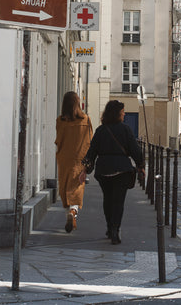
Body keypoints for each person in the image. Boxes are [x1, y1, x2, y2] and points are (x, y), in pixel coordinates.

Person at [83, 100, 144, 245]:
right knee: (118, 201)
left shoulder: (101, 130)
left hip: (104, 170)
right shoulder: (126, 129)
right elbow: (135, 149)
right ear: (117, 113)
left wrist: (85, 169)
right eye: (122, 112)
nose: (124, 114)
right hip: (121, 170)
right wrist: (140, 165)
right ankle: (115, 229)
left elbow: (92, 151)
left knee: (108, 199)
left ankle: (110, 227)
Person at [55, 91, 93, 233]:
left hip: (65, 159)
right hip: (79, 160)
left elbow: (58, 140)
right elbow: (90, 140)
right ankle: (73, 213)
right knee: (76, 189)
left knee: (65, 189)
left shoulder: (60, 121)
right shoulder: (86, 120)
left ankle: (68, 214)